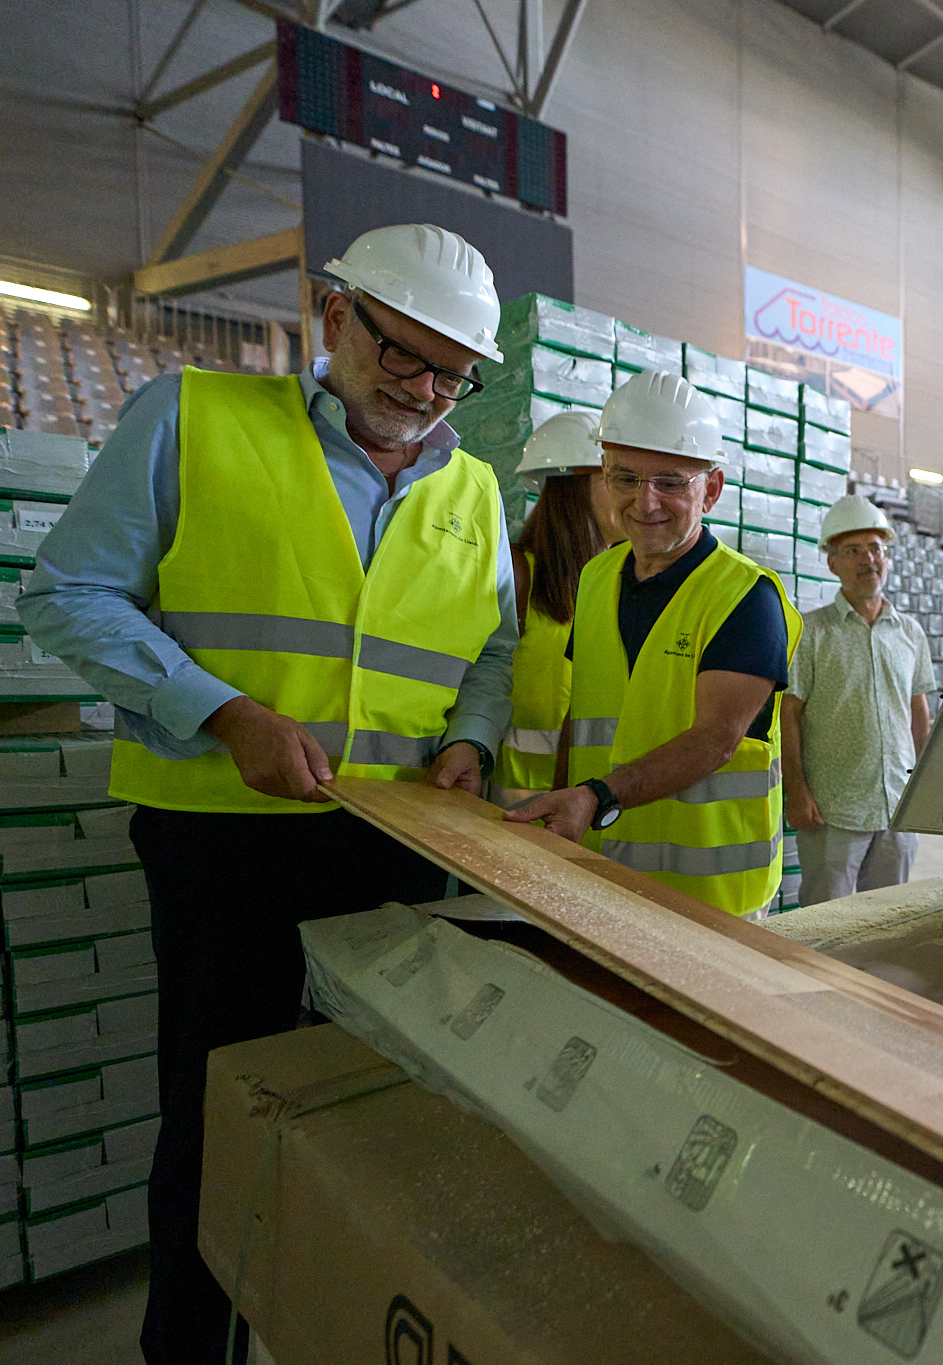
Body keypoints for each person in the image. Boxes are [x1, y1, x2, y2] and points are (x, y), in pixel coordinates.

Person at [19, 223, 518, 1364]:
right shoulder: (192, 418)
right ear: (336, 319)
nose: (427, 392)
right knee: (217, 1117)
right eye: (404, 357)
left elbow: (488, 649)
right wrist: (221, 714)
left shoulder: (476, 488)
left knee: (367, 1114)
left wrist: (473, 742)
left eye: (453, 373)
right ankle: (188, 1351)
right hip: (220, 841)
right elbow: (69, 595)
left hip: (394, 845)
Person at [506, 369, 800, 917]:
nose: (645, 502)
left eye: (670, 481)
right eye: (625, 479)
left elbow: (718, 739)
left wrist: (596, 797)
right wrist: (561, 802)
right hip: (602, 868)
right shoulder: (596, 578)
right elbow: (581, 711)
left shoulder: (745, 596)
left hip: (711, 897)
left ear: (710, 489)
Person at [782, 495, 936, 903]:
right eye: (852, 551)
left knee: (885, 922)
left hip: (897, 807)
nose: (868, 559)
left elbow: (918, 711)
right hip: (832, 809)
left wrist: (929, 784)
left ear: (887, 557)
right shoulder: (810, 632)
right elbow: (788, 715)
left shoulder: (910, 633)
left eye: (876, 548)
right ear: (832, 563)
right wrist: (795, 791)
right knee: (825, 921)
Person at [494, 410, 621, 804]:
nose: (635, 495)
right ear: (575, 489)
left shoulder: (620, 585)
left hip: (593, 808)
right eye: (616, 479)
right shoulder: (517, 574)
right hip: (514, 811)